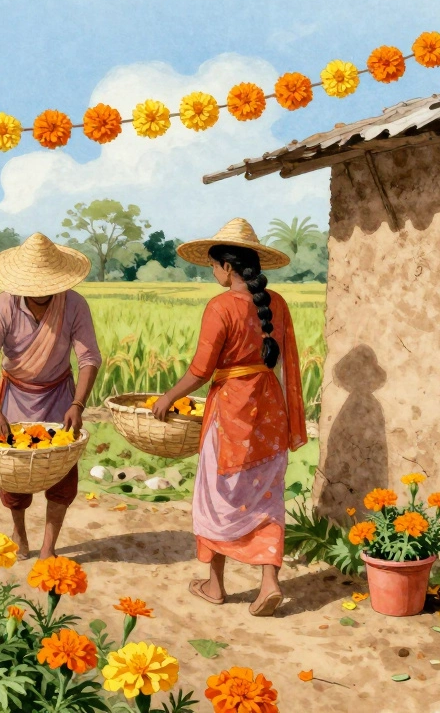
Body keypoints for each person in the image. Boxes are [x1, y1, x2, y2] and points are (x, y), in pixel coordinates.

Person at [152, 218, 306, 617]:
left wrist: (168, 397)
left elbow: (201, 371)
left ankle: (216, 585)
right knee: (266, 497)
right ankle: (269, 583)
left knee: (217, 495)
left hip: (231, 412)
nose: (213, 273)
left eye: (214, 266)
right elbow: (287, 364)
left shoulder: (220, 306)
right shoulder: (279, 304)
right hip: (270, 411)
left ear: (228, 268)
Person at [0, 233, 101, 560]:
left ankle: (49, 546)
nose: (41, 293)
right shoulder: (2, 306)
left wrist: (77, 403)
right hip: (13, 399)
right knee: (13, 473)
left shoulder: (74, 304)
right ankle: (19, 530)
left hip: (60, 398)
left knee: (62, 473)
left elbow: (89, 359)